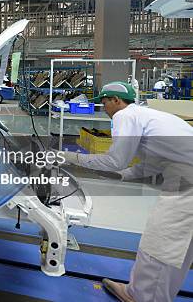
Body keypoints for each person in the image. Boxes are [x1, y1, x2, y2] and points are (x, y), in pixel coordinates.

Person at [62, 81, 193, 302]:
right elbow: (152, 164)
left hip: (186, 182)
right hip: (183, 173)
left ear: (116, 100)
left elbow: (115, 160)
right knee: (180, 248)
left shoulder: (125, 116)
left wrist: (70, 157)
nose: (104, 109)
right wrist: (124, 175)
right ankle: (148, 295)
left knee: (161, 241)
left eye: (105, 103)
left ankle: (142, 297)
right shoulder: (148, 116)